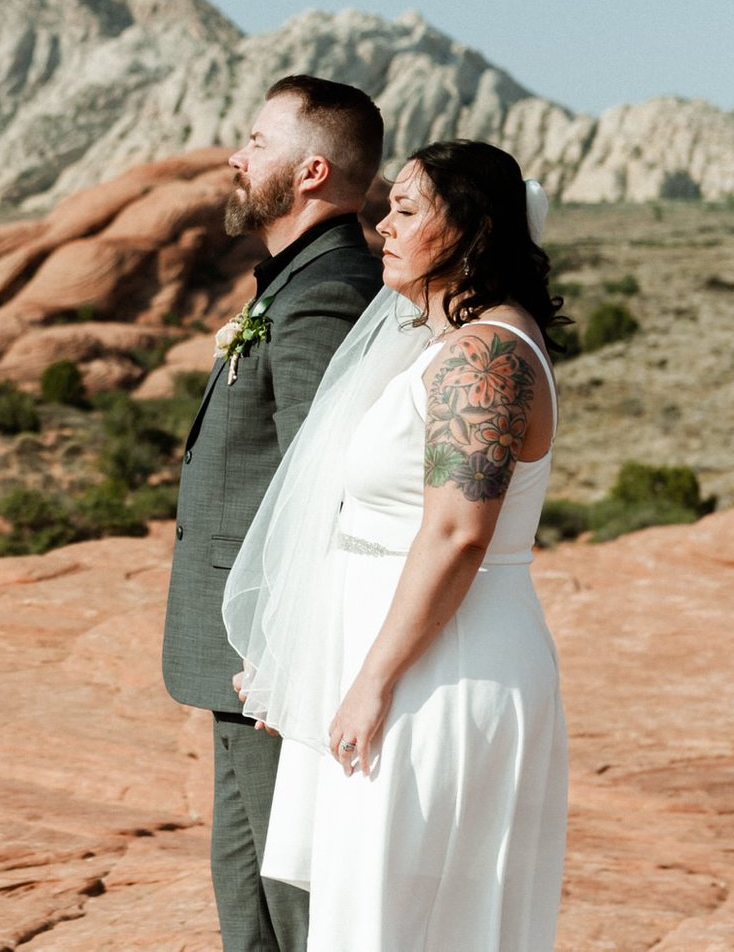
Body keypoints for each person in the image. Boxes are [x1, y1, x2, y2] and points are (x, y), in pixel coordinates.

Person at [223, 138, 570, 950]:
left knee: (411, 924)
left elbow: (455, 535)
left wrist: (371, 682)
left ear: (474, 231)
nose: (382, 224)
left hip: (444, 669)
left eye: (407, 209)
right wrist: (305, 660)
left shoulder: (485, 358)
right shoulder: (439, 344)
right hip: (402, 653)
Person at [162, 75, 385, 952]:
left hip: (267, 654)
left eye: (257, 142)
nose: (234, 156)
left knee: (291, 899)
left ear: (312, 170)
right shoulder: (296, 279)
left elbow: (323, 485)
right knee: (244, 891)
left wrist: (288, 646)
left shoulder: (327, 291)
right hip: (241, 648)